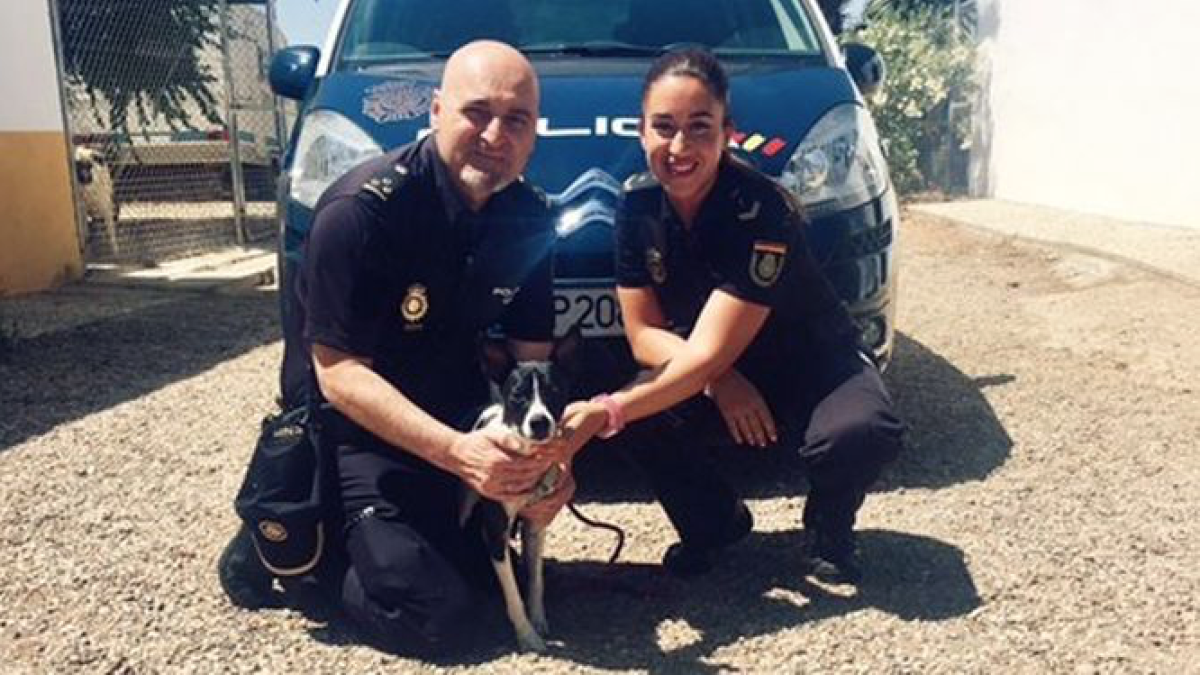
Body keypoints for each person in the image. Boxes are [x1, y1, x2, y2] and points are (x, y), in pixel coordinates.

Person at [220, 40, 575, 656]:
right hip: (359, 437)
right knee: (442, 621)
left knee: (500, 588)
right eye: (477, 112)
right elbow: (340, 377)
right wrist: (460, 456)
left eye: (516, 119)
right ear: (436, 110)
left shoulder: (528, 219)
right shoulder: (362, 214)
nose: (496, 134)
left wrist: (551, 465)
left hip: (458, 419)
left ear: (534, 132)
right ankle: (299, 550)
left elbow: (533, 362)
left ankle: (408, 543)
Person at [560, 48, 904, 583]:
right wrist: (720, 381)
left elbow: (709, 349)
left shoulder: (763, 209)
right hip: (719, 364)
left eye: (700, 127)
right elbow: (642, 333)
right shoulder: (636, 207)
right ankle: (713, 523)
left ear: (727, 133)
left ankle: (829, 526)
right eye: (664, 127)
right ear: (642, 133)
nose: (679, 146)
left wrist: (608, 411)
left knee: (859, 431)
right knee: (631, 399)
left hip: (810, 364)